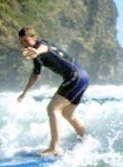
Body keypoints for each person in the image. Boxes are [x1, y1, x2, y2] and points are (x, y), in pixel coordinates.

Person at [16, 27, 89, 156]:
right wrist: (25, 92)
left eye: (26, 41)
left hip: (75, 77)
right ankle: (86, 139)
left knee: (52, 109)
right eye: (22, 42)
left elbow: (44, 49)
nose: (24, 44)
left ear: (34, 38)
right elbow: (36, 74)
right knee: (67, 113)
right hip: (83, 78)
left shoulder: (42, 45)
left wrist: (37, 52)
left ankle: (54, 147)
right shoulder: (36, 55)